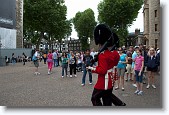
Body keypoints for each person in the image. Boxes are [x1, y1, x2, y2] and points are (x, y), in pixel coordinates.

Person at [87, 24, 121, 106]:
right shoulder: (114, 53)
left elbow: (102, 70)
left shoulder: (103, 55)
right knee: (107, 100)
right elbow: (114, 63)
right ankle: (120, 104)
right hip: (111, 80)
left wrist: (91, 68)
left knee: (94, 98)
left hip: (103, 82)